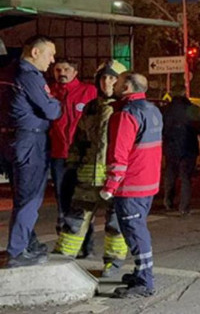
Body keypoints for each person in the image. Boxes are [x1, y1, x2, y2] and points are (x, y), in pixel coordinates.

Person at [54, 60, 129, 278]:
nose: (107, 82)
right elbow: (79, 140)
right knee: (74, 221)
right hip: (87, 177)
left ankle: (113, 263)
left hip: (116, 179)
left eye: (112, 78)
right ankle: (61, 259)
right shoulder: (91, 107)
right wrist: (72, 166)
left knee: (115, 224)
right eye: (103, 77)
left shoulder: (126, 108)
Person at [99, 72, 162, 298]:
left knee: (135, 233)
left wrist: (110, 185)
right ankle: (141, 273)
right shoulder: (153, 110)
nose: (113, 84)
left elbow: (119, 153)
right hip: (148, 181)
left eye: (117, 82)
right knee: (138, 229)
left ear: (126, 87)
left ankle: (145, 281)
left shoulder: (126, 114)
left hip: (131, 184)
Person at [3, 35, 61, 268]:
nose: (52, 60)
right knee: (30, 198)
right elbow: (51, 110)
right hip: (30, 140)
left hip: (9, 139)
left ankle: (28, 242)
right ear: (35, 52)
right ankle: (17, 251)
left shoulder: (6, 72)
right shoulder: (29, 75)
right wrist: (56, 102)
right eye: (50, 54)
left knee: (21, 195)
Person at [49, 58, 97, 236]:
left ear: (75, 72)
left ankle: (86, 231)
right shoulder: (49, 92)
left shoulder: (88, 91)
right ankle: (63, 223)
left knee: (83, 193)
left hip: (83, 154)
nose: (62, 73)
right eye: (58, 70)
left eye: (66, 69)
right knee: (61, 191)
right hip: (59, 152)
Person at [162, 94, 200, 216]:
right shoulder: (192, 109)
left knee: (170, 175)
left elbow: (162, 129)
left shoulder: (166, 109)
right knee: (186, 177)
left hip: (170, 147)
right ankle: (184, 207)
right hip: (188, 147)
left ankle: (168, 202)